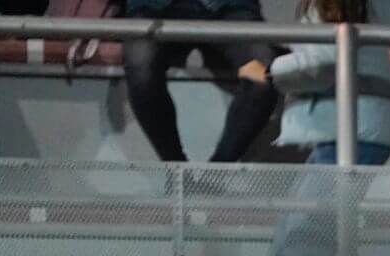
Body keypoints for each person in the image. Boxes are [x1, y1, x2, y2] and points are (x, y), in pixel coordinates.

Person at [266, 0, 390, 256]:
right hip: (356, 125)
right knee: (302, 234)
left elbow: (320, 62)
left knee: (302, 236)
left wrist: (269, 68)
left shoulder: (337, 5)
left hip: (355, 127)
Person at [119, 0, 279, 163]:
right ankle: (176, 169)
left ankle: (217, 169)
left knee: (263, 76)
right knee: (141, 71)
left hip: (231, 8)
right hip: (154, 8)